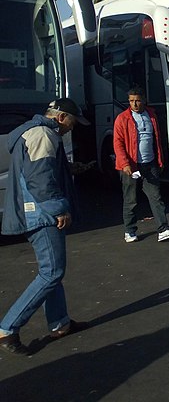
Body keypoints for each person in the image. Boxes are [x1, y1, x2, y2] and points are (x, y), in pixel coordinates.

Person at [0, 99, 89, 356]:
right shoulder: (44, 134)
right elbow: (40, 179)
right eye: (73, 122)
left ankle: (60, 323)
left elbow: (39, 170)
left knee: (51, 271)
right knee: (51, 273)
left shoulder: (31, 132)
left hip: (33, 212)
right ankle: (8, 327)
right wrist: (58, 209)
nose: (73, 128)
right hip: (41, 215)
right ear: (61, 117)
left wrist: (70, 168)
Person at [114, 87, 169, 243]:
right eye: (131, 101)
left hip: (149, 164)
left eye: (137, 100)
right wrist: (125, 164)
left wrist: (159, 161)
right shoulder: (122, 118)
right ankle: (129, 231)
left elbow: (156, 140)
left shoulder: (151, 115)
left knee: (155, 197)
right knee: (131, 199)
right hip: (130, 165)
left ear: (144, 100)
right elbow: (118, 143)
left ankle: (163, 229)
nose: (134, 104)